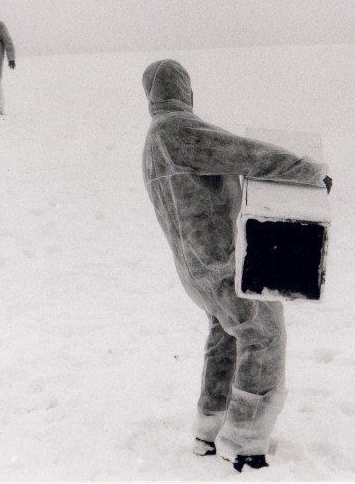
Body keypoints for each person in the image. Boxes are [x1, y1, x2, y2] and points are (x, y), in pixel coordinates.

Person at [141, 59, 332, 472]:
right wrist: (307, 172)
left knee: (226, 337)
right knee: (263, 335)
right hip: (222, 262)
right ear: (184, 90)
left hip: (197, 270)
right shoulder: (179, 130)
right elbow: (246, 155)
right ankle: (244, 442)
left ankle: (208, 429)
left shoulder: (154, 140)